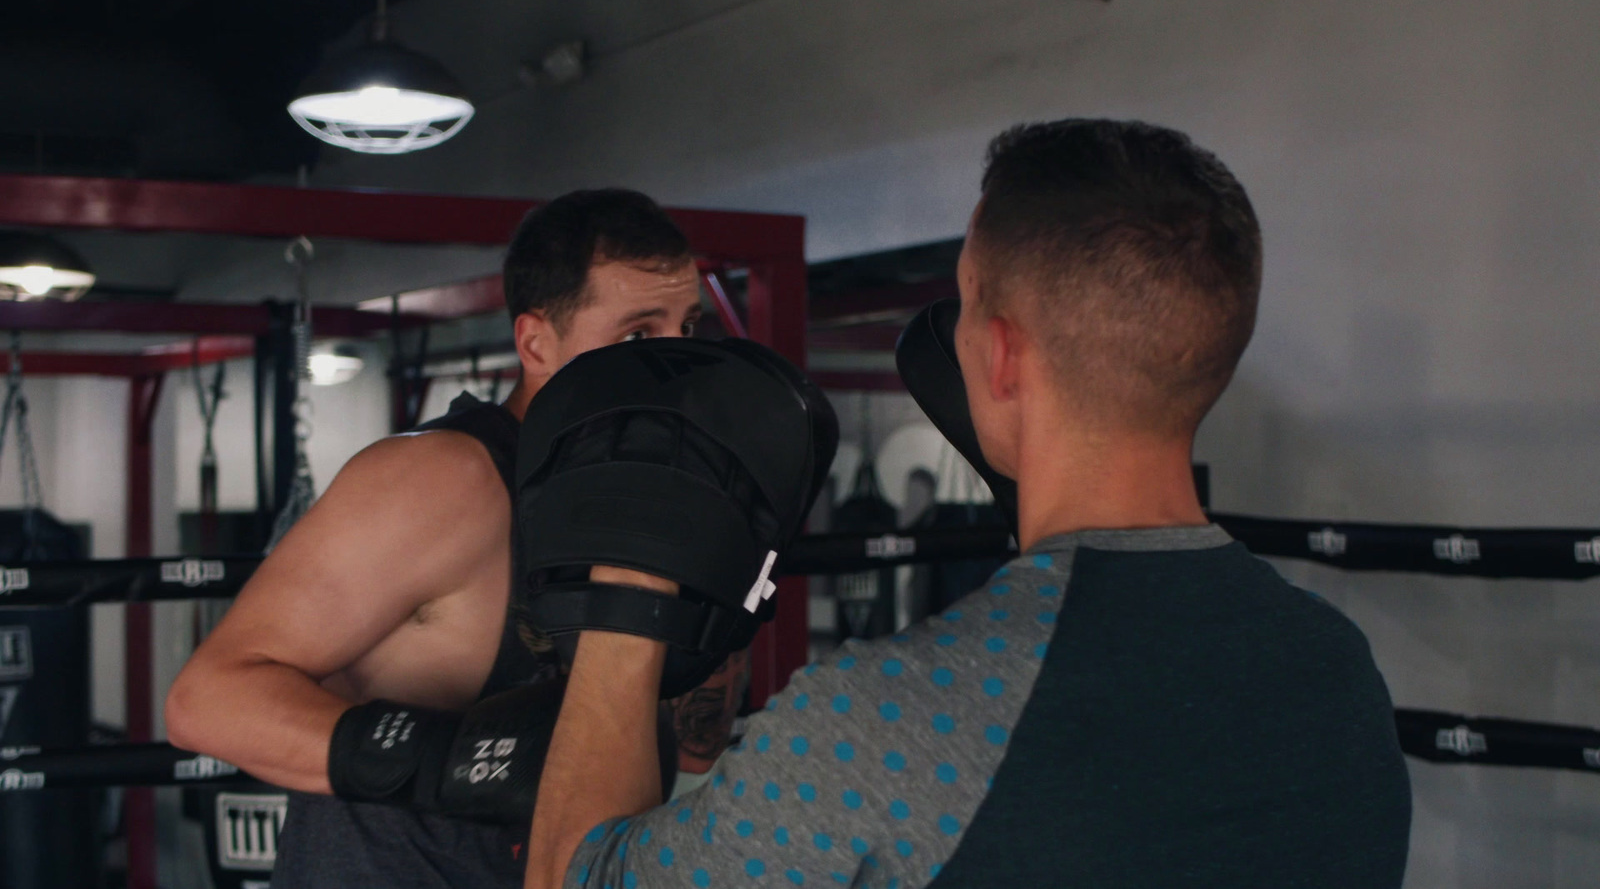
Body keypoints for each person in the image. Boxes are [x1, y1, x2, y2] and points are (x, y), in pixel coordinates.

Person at [519, 120, 1414, 889]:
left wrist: (633, 579)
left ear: (1005, 356)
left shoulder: (880, 723)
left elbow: (573, 873)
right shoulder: (1340, 674)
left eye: (968, 299)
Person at [165, 189, 748, 888]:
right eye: (635, 335)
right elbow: (206, 701)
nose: (675, 362)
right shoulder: (441, 481)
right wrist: (456, 762)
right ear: (536, 342)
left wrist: (708, 636)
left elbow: (691, 746)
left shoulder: (657, 491)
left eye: (686, 327)